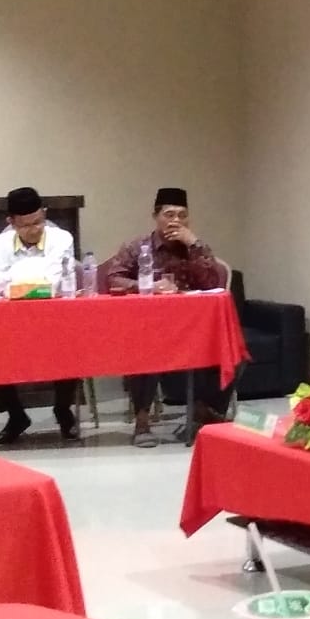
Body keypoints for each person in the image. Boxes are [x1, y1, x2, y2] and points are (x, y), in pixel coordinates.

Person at [108, 187, 230, 447]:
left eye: (183, 215)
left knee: (230, 349)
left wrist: (193, 244)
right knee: (144, 348)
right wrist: (148, 285)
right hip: (150, 327)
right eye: (169, 215)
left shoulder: (195, 247)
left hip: (193, 327)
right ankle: (142, 421)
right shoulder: (136, 247)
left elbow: (212, 282)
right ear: (156, 216)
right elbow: (113, 279)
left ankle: (205, 412)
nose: (176, 221)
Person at [0, 187, 81, 444]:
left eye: (38, 222)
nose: (34, 230)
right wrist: (35, 279)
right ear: (11, 222)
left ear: (44, 214)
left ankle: (63, 410)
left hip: (53, 320)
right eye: (25, 225)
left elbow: (55, 281)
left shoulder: (61, 238)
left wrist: (15, 280)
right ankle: (16, 415)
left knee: (72, 345)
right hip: (10, 323)